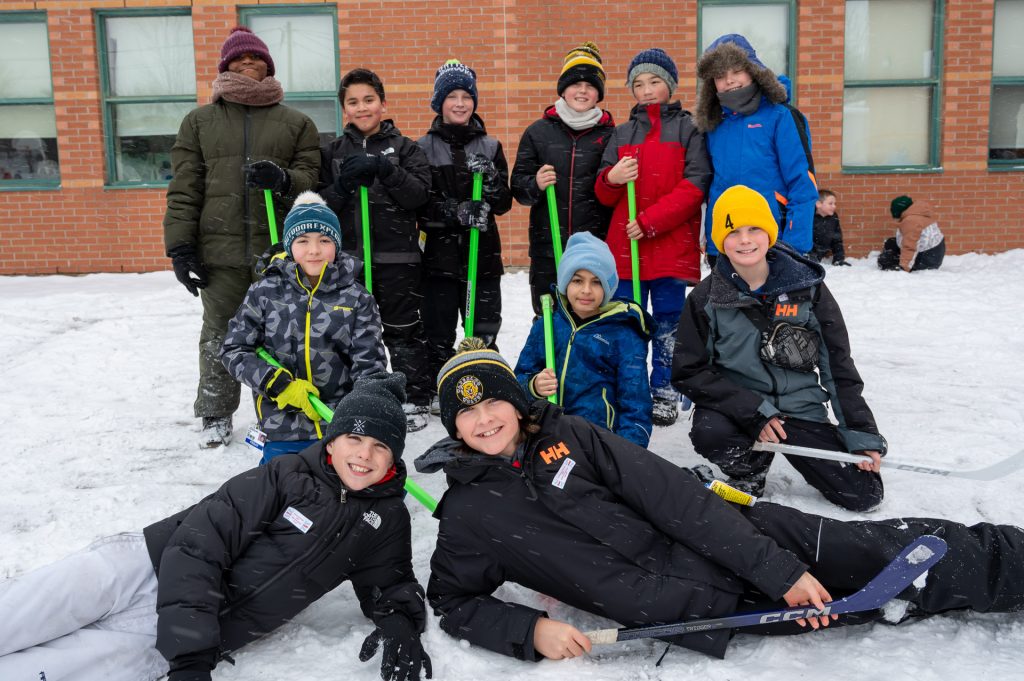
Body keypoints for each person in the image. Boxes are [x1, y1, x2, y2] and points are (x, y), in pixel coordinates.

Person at [415, 340, 1024, 664]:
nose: (483, 418)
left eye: (492, 400)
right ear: (452, 427)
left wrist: (777, 567)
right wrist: (528, 630)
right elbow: (451, 599)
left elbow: (673, 497)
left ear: (517, 404)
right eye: (465, 411)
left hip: (740, 538)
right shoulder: (470, 514)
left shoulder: (572, 435)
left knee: (890, 552)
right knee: (883, 599)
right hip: (695, 608)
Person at [0, 373, 432, 681]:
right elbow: (199, 545)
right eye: (353, 439)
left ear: (394, 458)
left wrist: (399, 623)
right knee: (14, 618)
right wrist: (190, 655)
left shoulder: (386, 518)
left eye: (380, 446)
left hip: (170, 634)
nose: (364, 455)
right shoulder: (286, 474)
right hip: (141, 568)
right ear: (332, 441)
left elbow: (389, 582)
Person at [672, 185, 884, 511]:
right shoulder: (705, 298)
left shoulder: (808, 287)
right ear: (719, 240)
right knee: (711, 433)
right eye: (734, 231)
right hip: (740, 409)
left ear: (769, 233)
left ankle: (793, 448)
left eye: (754, 228)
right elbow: (689, 372)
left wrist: (860, 433)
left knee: (864, 495)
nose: (745, 240)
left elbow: (837, 362)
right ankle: (749, 469)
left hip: (799, 409)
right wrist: (751, 408)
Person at [164, 26, 321, 449]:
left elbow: (311, 179)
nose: (248, 63)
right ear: (226, 66)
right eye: (239, 59)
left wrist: (284, 179)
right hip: (220, 251)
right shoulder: (199, 122)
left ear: (268, 66)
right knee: (220, 333)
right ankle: (215, 412)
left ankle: (275, 411)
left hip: (278, 252)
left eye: (256, 58)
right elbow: (184, 188)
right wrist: (180, 247)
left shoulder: (296, 122)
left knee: (279, 337)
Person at [221, 191, 387, 463]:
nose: (314, 250)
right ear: (289, 246)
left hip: (340, 426)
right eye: (302, 240)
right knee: (288, 491)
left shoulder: (357, 298)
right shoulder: (264, 292)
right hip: (282, 428)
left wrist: (361, 417)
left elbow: (370, 365)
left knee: (357, 493)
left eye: (324, 240)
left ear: (337, 245)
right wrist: (278, 385)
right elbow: (233, 349)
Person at [594, 48, 711, 426]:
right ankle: (630, 389)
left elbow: (695, 187)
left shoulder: (689, 129)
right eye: (638, 84)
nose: (646, 90)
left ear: (670, 85)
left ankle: (663, 390)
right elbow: (603, 192)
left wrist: (649, 221)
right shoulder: (622, 133)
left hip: (667, 245)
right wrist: (612, 179)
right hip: (625, 249)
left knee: (667, 324)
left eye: (654, 82)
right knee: (626, 322)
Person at [318, 68, 434, 431]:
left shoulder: (406, 149)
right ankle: (354, 394)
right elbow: (319, 205)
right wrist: (343, 185)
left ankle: (413, 397)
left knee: (403, 330)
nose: (362, 107)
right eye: (353, 102)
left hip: (398, 259)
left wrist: (386, 169)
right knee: (350, 331)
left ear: (383, 103)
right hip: (349, 261)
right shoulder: (332, 152)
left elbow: (419, 196)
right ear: (344, 110)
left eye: (369, 99)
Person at [416, 59, 513, 412]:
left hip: (482, 257)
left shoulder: (490, 146)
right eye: (451, 96)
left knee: (483, 330)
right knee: (437, 333)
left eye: (466, 96)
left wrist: (490, 181)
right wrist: (455, 212)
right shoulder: (421, 148)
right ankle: (442, 388)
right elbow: (419, 203)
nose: (460, 103)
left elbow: (503, 203)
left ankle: (482, 384)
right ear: (439, 102)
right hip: (438, 261)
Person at [514, 232, 653, 446]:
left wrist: (627, 454)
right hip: (545, 437)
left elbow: (635, 404)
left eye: (596, 282)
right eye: (578, 280)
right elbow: (518, 380)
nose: (586, 290)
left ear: (608, 287)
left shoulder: (624, 333)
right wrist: (533, 386)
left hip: (596, 441)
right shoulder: (547, 325)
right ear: (565, 283)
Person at [510, 41, 615, 316]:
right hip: (548, 247)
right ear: (563, 88)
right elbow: (519, 187)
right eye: (575, 83)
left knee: (590, 317)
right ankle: (548, 361)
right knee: (548, 317)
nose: (582, 91)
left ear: (598, 93)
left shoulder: (611, 134)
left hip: (594, 247)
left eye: (590, 85)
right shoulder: (538, 132)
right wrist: (535, 184)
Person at [695, 34, 818, 261]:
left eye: (736, 71)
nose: (729, 80)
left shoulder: (781, 116)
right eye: (720, 76)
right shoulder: (712, 125)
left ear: (753, 70)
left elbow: (802, 183)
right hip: (725, 244)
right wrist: (712, 243)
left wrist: (795, 246)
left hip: (774, 241)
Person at [878, 195, 946, 272]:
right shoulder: (917, 213)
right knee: (891, 243)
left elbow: (910, 246)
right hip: (933, 254)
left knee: (885, 260)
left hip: (927, 260)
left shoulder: (911, 221)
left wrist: (904, 267)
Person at [810, 189, 851, 266]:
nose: (834, 206)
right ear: (818, 204)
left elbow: (837, 240)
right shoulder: (810, 217)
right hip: (810, 255)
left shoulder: (833, 218)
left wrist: (839, 259)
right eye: (830, 203)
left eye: (835, 204)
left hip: (822, 253)